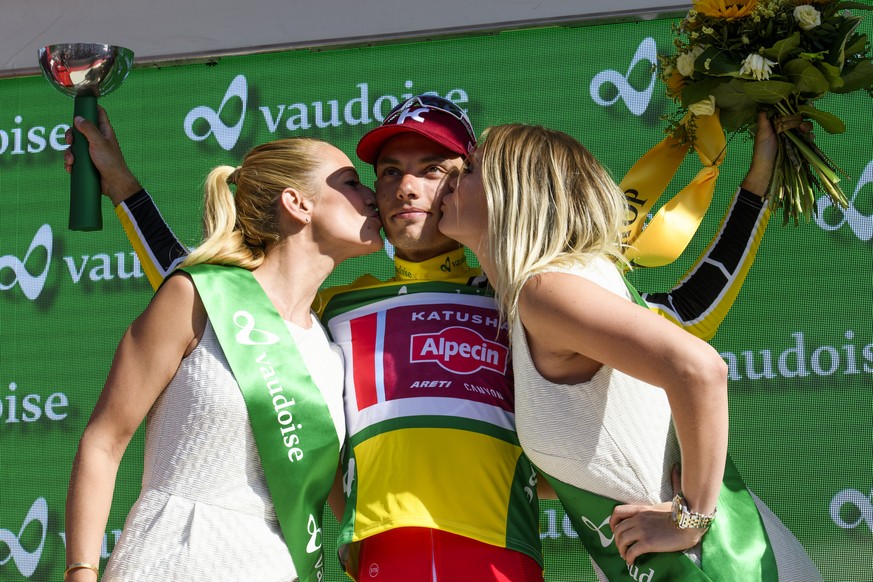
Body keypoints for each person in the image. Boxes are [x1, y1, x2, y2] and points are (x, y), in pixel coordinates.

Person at [66, 97, 780, 581]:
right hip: (376, 551)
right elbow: (214, 305)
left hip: (501, 550)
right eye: (388, 172)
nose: (407, 187)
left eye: (433, 171)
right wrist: (126, 189)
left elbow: (685, 314)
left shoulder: (515, 295)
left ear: (471, 185)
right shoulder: (336, 308)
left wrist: (754, 188)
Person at [438, 122, 823, 581]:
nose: (450, 179)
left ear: (514, 191)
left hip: (707, 563)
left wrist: (690, 519)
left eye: (472, 168)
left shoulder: (546, 291)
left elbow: (699, 369)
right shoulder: (555, 291)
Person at [63, 137, 383, 582]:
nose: (371, 195)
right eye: (351, 182)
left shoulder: (330, 355)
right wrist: (81, 572)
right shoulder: (196, 297)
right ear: (298, 203)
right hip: (169, 562)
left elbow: (335, 495)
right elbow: (104, 441)